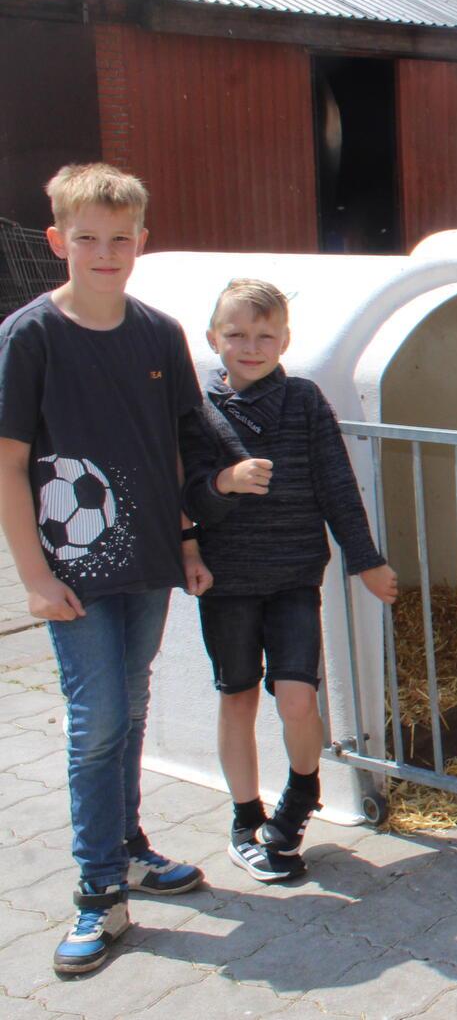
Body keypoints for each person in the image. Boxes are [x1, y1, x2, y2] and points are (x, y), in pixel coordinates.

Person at [0, 164, 212, 975]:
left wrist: (189, 543)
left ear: (142, 244)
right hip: (72, 576)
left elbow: (180, 451)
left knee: (131, 705)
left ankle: (127, 850)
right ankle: (97, 897)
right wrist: (32, 576)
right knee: (95, 723)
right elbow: (8, 465)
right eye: (87, 238)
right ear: (58, 241)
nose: (105, 252)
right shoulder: (30, 336)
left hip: (151, 562)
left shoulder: (160, 334)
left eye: (121, 239)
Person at [182, 278, 398, 882]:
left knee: (298, 698)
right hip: (227, 582)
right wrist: (224, 484)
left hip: (295, 577)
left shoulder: (304, 401)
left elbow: (335, 484)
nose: (250, 346)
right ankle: (245, 817)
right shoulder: (197, 412)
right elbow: (187, 495)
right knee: (238, 696)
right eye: (236, 334)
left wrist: (365, 559)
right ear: (213, 338)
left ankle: (300, 799)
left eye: (264, 335)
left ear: (285, 339)